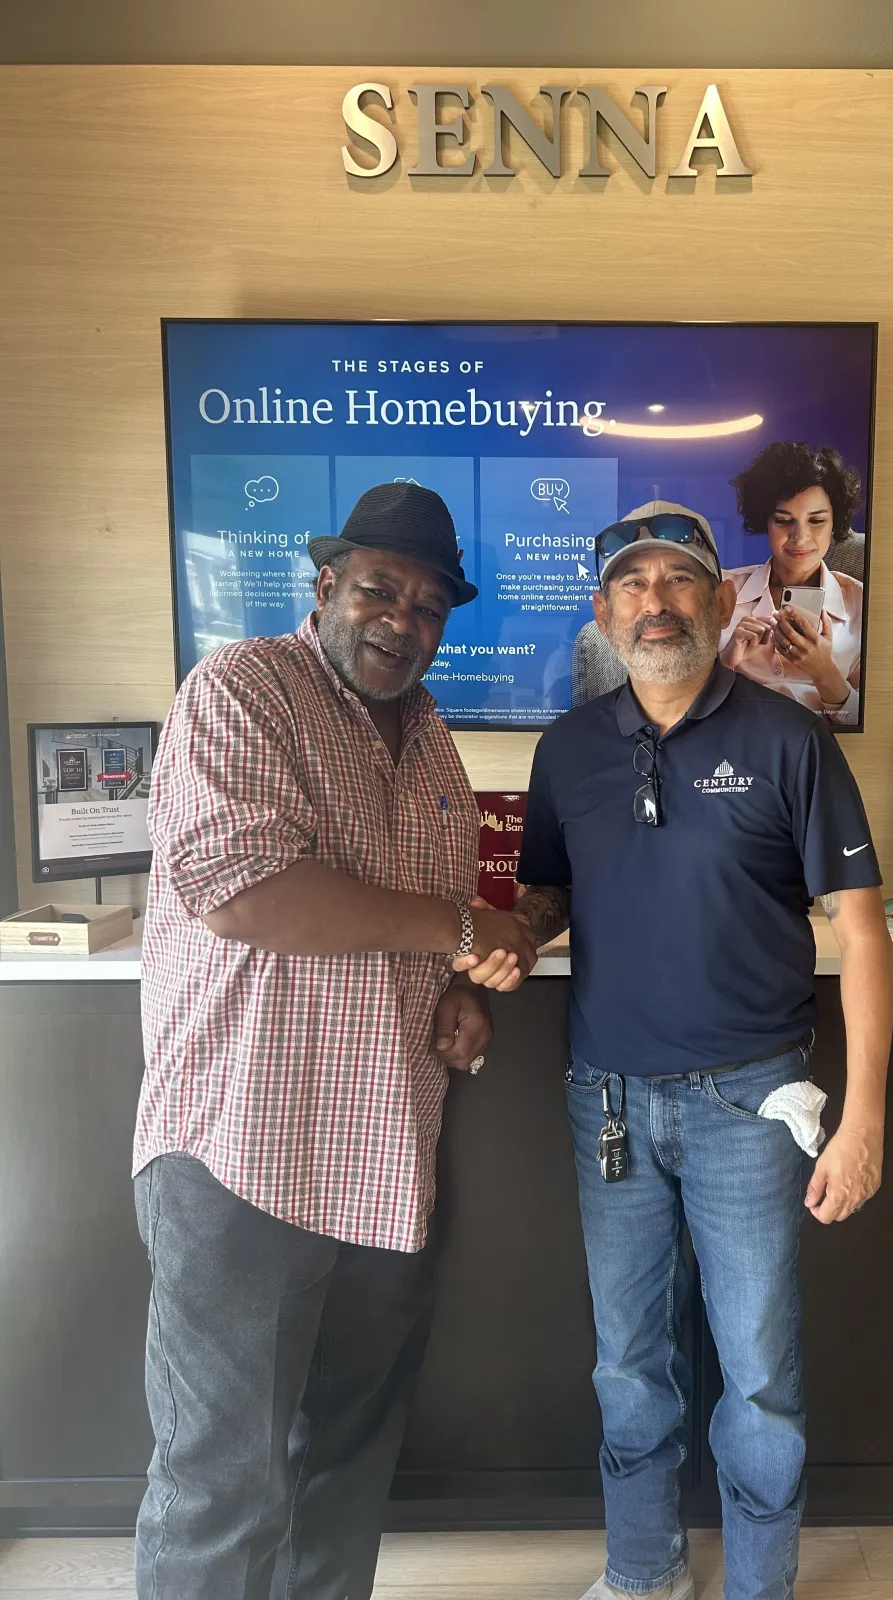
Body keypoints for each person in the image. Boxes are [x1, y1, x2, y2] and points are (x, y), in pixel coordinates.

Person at [457, 500, 893, 1600]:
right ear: (605, 612)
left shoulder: (790, 740)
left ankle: (758, 1585)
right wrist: (509, 934)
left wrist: (864, 1119)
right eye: (634, 587)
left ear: (718, 598)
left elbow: (860, 928)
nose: (657, 604)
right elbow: (553, 889)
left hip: (753, 1102)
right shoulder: (567, 749)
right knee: (628, 1366)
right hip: (606, 1101)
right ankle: (642, 1573)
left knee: (757, 1381)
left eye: (680, 581)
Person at [133, 481, 538, 1600]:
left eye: (427, 605)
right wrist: (462, 927)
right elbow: (246, 891)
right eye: (378, 589)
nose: (401, 620)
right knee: (224, 1481)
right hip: (242, 1156)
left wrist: (464, 993)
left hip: (386, 1158)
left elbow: (425, 932)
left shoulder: (437, 746)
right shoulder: (240, 689)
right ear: (325, 586)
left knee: (343, 1472)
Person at [720, 442, 866, 727]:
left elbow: (865, 725)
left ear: (835, 522)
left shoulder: (861, 603)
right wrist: (725, 664)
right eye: (784, 521)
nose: (800, 538)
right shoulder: (723, 591)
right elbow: (686, 705)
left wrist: (825, 672)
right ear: (765, 521)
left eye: (817, 521)